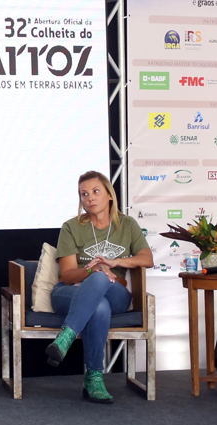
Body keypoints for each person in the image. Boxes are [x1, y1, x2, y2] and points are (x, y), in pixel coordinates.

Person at [45, 170, 153, 403]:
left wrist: (115, 263)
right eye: (84, 194)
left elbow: (147, 258)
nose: (90, 198)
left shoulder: (127, 224)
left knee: (104, 279)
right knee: (99, 304)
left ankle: (66, 336)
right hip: (71, 292)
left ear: (109, 195)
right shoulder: (72, 227)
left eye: (95, 191)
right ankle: (94, 377)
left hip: (117, 294)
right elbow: (67, 275)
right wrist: (90, 270)